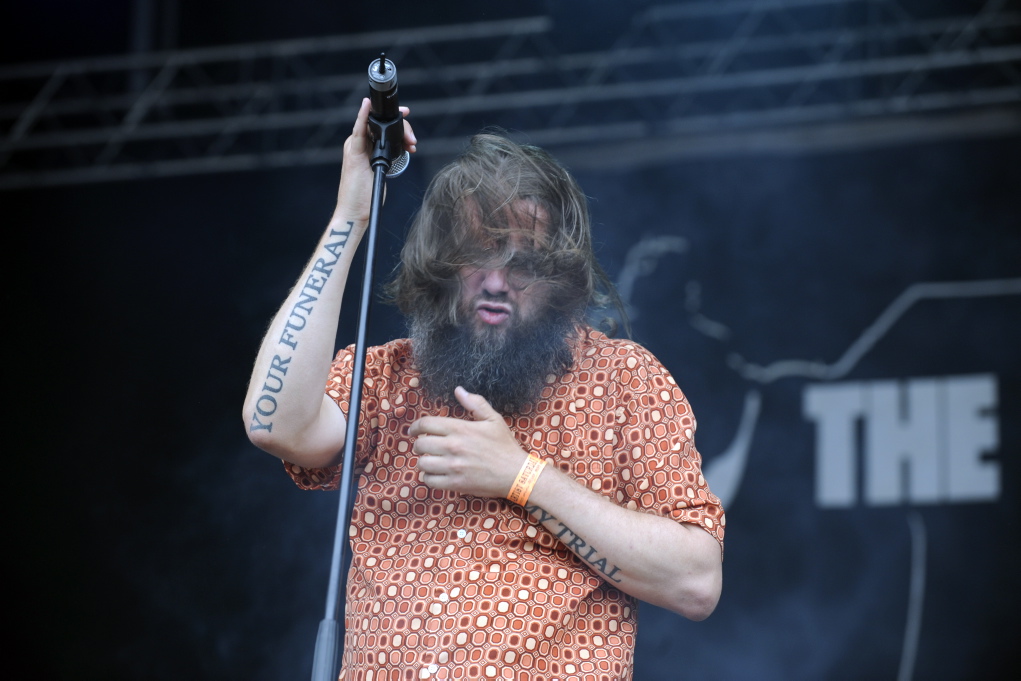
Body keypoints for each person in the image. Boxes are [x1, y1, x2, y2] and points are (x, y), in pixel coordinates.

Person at [243, 98, 724, 681]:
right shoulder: (390, 375)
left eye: (521, 263)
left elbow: (696, 581)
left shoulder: (625, 380)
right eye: (476, 255)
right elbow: (274, 422)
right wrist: (351, 215)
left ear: (561, 274)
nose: (496, 282)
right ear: (442, 264)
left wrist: (521, 477)